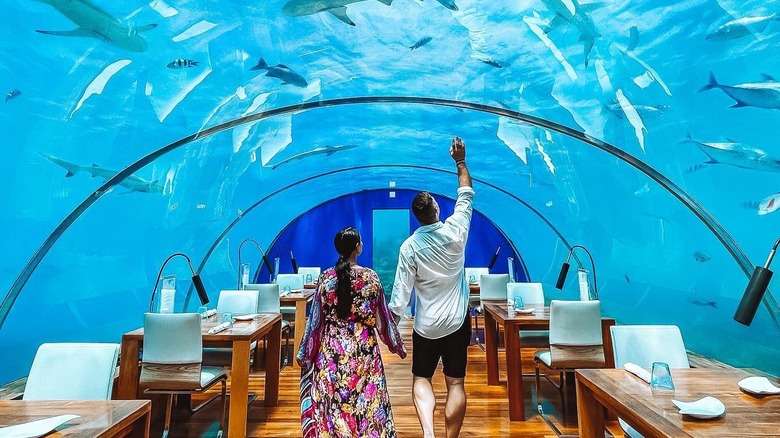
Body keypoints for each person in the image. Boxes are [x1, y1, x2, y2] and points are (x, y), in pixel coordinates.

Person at [389, 136, 474, 438]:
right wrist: (460, 160)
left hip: (426, 327)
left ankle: (428, 434)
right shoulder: (456, 230)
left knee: (421, 379)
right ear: (437, 209)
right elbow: (465, 191)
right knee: (456, 383)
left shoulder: (410, 247)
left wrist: (391, 330)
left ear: (417, 217)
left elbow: (400, 297)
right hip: (457, 322)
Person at [297, 226, 407, 438]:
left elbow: (316, 320)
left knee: (334, 399)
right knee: (367, 400)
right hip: (364, 350)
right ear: (357, 247)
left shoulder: (326, 278)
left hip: (332, 350)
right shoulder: (371, 277)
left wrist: (305, 352)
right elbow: (382, 317)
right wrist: (396, 345)